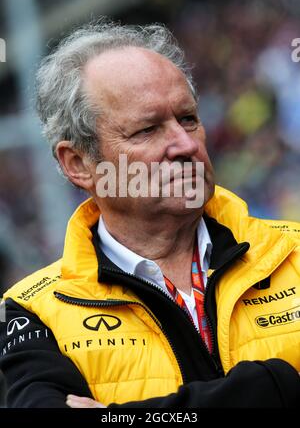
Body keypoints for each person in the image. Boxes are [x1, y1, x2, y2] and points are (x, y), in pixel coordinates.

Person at [0, 20, 300, 409]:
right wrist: (276, 385)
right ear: (78, 163)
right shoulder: (31, 311)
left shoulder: (293, 251)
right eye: (146, 130)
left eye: (188, 118)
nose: (183, 143)